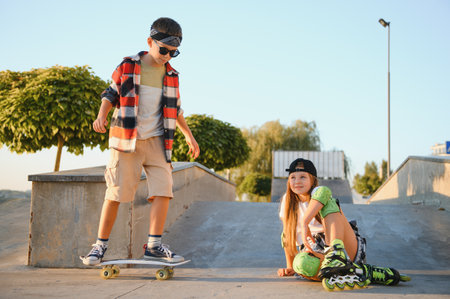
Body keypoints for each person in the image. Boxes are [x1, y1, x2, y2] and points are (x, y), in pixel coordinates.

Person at [81, 17, 200, 266]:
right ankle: (99, 247)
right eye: (163, 50)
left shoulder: (172, 75)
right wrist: (101, 116)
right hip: (126, 141)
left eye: (174, 52)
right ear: (150, 42)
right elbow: (110, 92)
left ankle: (154, 246)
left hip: (158, 141)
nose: (167, 56)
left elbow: (176, 110)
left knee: (163, 190)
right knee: (116, 193)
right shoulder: (128, 66)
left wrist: (189, 135)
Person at [278, 158, 410, 291]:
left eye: (302, 177)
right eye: (292, 177)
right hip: (318, 251)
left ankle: (336, 254)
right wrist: (290, 266)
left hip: (343, 244)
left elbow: (323, 192)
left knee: (329, 200)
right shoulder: (287, 202)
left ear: (312, 180)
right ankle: (359, 272)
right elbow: (287, 235)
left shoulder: (317, 192)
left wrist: (304, 221)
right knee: (302, 264)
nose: (297, 181)